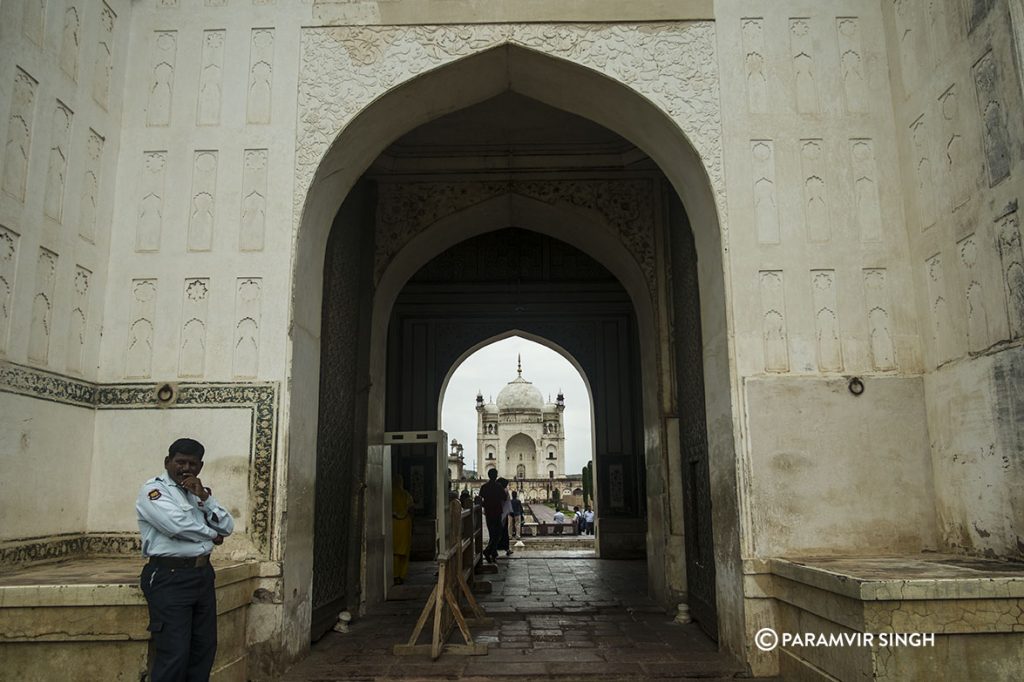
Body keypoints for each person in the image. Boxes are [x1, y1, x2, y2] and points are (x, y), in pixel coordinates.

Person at [136, 437, 235, 682]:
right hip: (170, 577)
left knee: (203, 649)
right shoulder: (154, 491)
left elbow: (228, 525)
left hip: (201, 575)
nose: (186, 469)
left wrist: (204, 497)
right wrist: (214, 534)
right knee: (174, 654)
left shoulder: (196, 493)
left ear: (200, 467)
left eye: (192, 464)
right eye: (180, 462)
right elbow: (176, 526)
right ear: (168, 462)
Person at [478, 468, 506, 563]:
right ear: (495, 476)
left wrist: (486, 504)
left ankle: (493, 553)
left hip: (488, 512)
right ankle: (488, 551)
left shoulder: (484, 487)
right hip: (497, 512)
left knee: (492, 533)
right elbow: (504, 497)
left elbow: (479, 499)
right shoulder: (498, 486)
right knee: (498, 533)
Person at [392, 473, 415, 585]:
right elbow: (411, 509)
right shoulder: (406, 495)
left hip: (393, 524)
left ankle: (394, 575)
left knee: (394, 552)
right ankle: (401, 575)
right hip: (405, 524)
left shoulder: (389, 495)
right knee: (404, 552)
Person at [497, 478, 513, 556]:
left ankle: (494, 549)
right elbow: (507, 503)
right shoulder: (504, 491)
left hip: (498, 515)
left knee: (497, 533)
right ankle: (505, 549)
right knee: (502, 533)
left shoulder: (500, 490)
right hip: (502, 514)